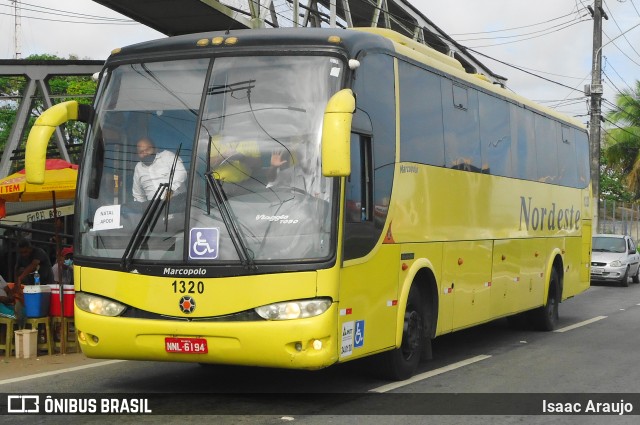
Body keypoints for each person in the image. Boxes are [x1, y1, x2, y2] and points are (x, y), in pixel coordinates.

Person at [132, 137, 188, 202]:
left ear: (155, 149)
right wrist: (143, 209)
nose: (145, 153)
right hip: (153, 209)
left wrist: (171, 189)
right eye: (141, 152)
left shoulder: (167, 156)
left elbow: (181, 173)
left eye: (147, 149)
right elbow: (138, 195)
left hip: (177, 204)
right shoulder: (138, 168)